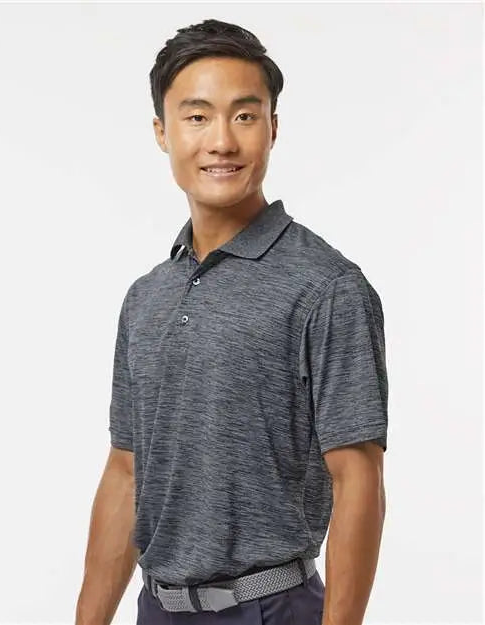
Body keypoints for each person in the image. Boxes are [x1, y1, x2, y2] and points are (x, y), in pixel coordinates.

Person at [75, 18, 388, 625]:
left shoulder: (327, 287)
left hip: (269, 609)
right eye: (197, 117)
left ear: (273, 128)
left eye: (245, 116)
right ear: (162, 132)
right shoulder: (146, 297)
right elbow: (126, 471)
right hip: (157, 608)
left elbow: (358, 478)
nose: (221, 141)